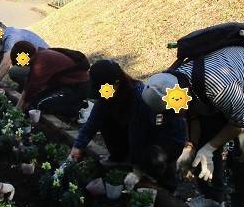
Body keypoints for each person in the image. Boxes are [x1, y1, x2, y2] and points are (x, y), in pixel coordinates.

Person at [143, 45, 244, 207]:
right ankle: (214, 198)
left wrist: (209, 148)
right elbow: (194, 116)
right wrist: (191, 146)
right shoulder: (174, 80)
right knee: (207, 134)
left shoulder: (220, 87)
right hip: (227, 86)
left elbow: (240, 123)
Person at [70, 60, 186, 190]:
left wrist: (139, 170)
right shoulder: (106, 95)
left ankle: (163, 184)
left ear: (117, 83)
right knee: (104, 119)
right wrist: (78, 146)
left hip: (155, 145)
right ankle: (121, 159)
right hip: (133, 142)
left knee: (156, 159)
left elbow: (141, 136)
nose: (101, 96)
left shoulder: (140, 98)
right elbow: (93, 122)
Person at [11, 42, 90, 118]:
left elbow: (33, 89)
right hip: (63, 85)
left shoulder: (40, 61)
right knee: (34, 101)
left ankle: (77, 108)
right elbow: (28, 85)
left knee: (39, 105)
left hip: (76, 88)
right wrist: (16, 109)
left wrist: (20, 112)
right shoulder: (39, 55)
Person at [0, 24, 49, 90]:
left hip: (45, 64)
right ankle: (27, 88)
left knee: (14, 72)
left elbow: (6, 63)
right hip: (44, 58)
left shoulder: (11, 38)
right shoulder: (12, 31)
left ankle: (34, 90)